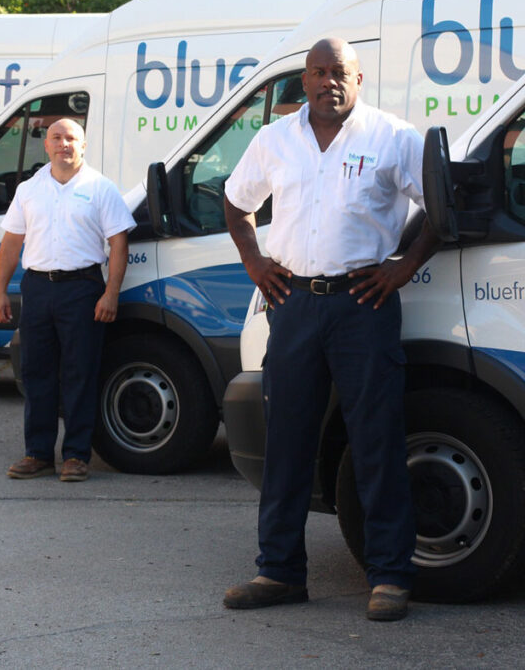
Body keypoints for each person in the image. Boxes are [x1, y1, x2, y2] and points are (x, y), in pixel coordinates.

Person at [222, 38, 440, 621]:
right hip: (293, 305)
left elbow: (442, 208)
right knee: (286, 442)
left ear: (359, 78)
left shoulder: (394, 137)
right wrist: (255, 262)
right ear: (305, 80)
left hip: (363, 305)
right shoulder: (275, 139)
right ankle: (278, 572)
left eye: (339, 72)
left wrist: (403, 268)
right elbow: (236, 203)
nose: (328, 82)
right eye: (318, 72)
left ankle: (390, 577)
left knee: (376, 440)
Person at [0, 118, 135, 483]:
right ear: (46, 145)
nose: (63, 144)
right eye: (56, 137)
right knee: (36, 373)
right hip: (37, 288)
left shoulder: (101, 188)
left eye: (71, 138)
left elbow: (119, 244)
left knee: (79, 373)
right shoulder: (28, 189)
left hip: (82, 289)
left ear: (83, 145)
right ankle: (38, 454)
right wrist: (0, 291)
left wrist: (110, 293)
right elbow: (11, 243)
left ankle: (75, 456)